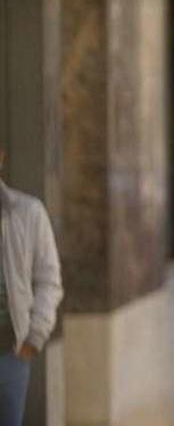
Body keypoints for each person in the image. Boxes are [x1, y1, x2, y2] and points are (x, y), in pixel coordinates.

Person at [0, 149, 64, 426]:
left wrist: (34, 336)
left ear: (1, 158)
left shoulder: (27, 212)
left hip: (9, 354)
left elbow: (49, 280)